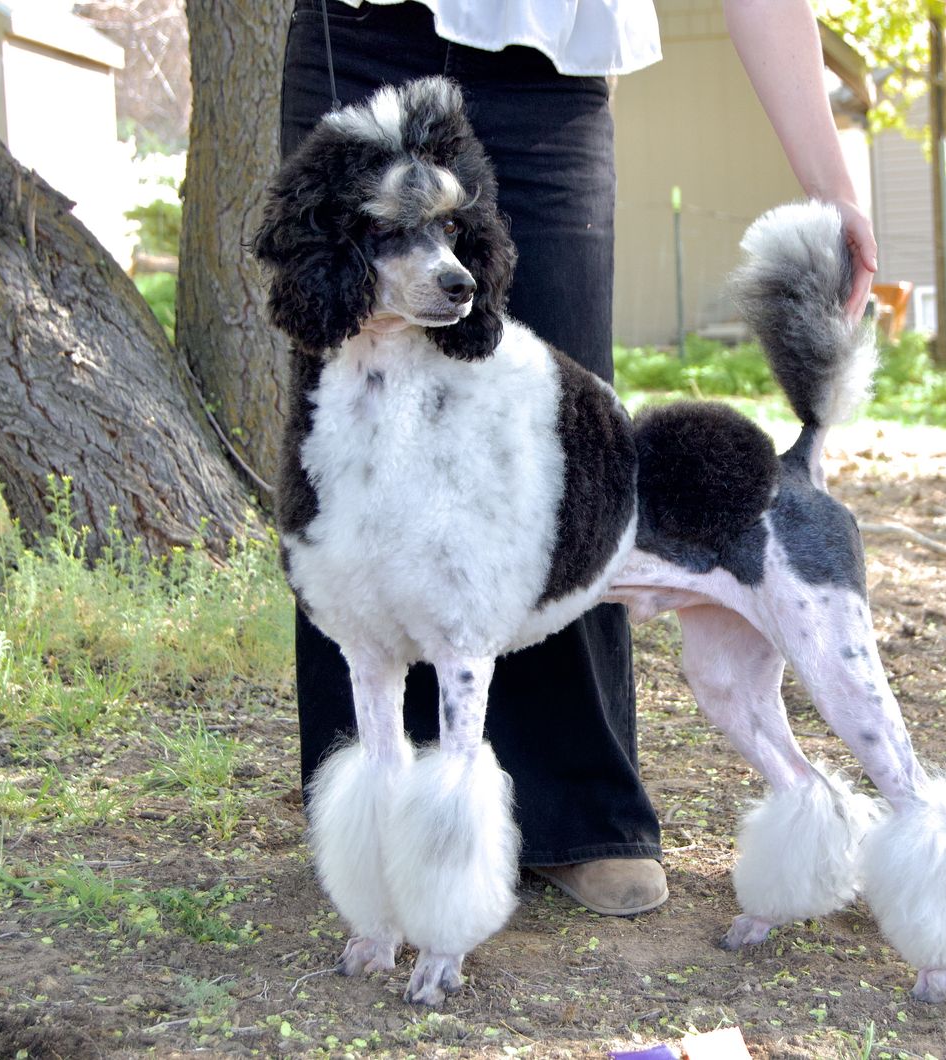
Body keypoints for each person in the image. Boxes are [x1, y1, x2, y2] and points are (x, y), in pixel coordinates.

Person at [279, 0, 877, 918]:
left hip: (547, 57)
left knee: (579, 462)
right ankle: (376, 856)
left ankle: (576, 817)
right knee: (355, 440)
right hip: (355, 38)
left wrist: (829, 178)